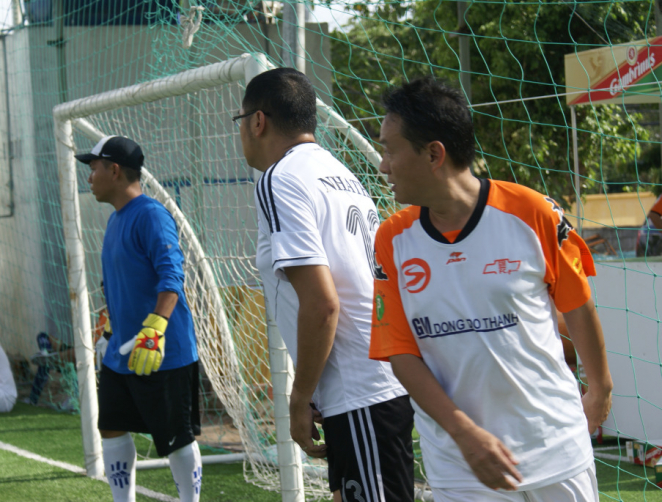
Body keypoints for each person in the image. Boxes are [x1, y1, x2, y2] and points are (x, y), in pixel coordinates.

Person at [369, 76, 613, 501]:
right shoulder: (392, 239)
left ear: (433, 154)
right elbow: (400, 352)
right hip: (462, 469)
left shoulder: (533, 212)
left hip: (555, 452)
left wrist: (601, 389)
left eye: (390, 150)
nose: (382, 165)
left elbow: (579, 307)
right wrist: (464, 433)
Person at [237, 67, 416, 502]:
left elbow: (323, 304)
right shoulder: (343, 174)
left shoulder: (278, 179)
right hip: (376, 384)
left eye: (239, 121)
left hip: (358, 389)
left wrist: (298, 399)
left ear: (258, 121)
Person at [76, 135, 201, 502]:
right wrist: (110, 331)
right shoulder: (116, 221)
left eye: (94, 168)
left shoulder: (151, 215)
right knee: (112, 427)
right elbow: (120, 287)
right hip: (122, 353)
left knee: (176, 439)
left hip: (163, 350)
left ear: (114, 170)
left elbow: (171, 276)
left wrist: (155, 330)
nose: (89, 177)